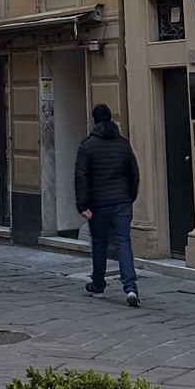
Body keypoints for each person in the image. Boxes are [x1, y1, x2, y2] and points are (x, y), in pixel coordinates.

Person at [75, 102, 141, 306]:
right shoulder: (123, 143)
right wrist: (130, 196)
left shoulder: (87, 145)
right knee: (124, 242)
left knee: (99, 244)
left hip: (98, 203)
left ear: (94, 120)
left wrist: (82, 205)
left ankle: (98, 285)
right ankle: (131, 288)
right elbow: (134, 172)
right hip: (122, 201)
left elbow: (81, 176)